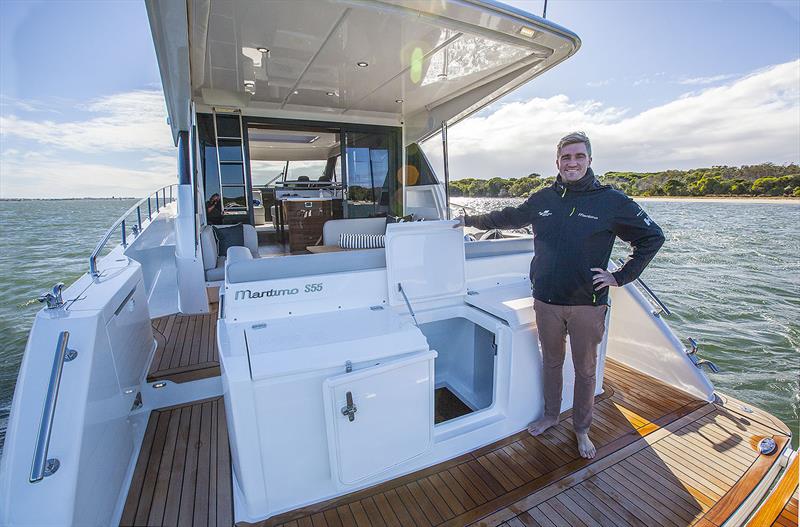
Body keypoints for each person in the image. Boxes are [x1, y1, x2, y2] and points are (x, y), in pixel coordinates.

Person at [455, 132, 665, 459]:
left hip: (587, 304)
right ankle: (551, 415)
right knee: (551, 362)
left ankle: (581, 429)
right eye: (566, 157)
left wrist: (620, 276)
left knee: (585, 370)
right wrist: (465, 219)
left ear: (590, 160)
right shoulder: (544, 199)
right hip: (546, 301)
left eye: (579, 156)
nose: (572, 163)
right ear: (557, 162)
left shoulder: (612, 201)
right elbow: (506, 218)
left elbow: (652, 238)